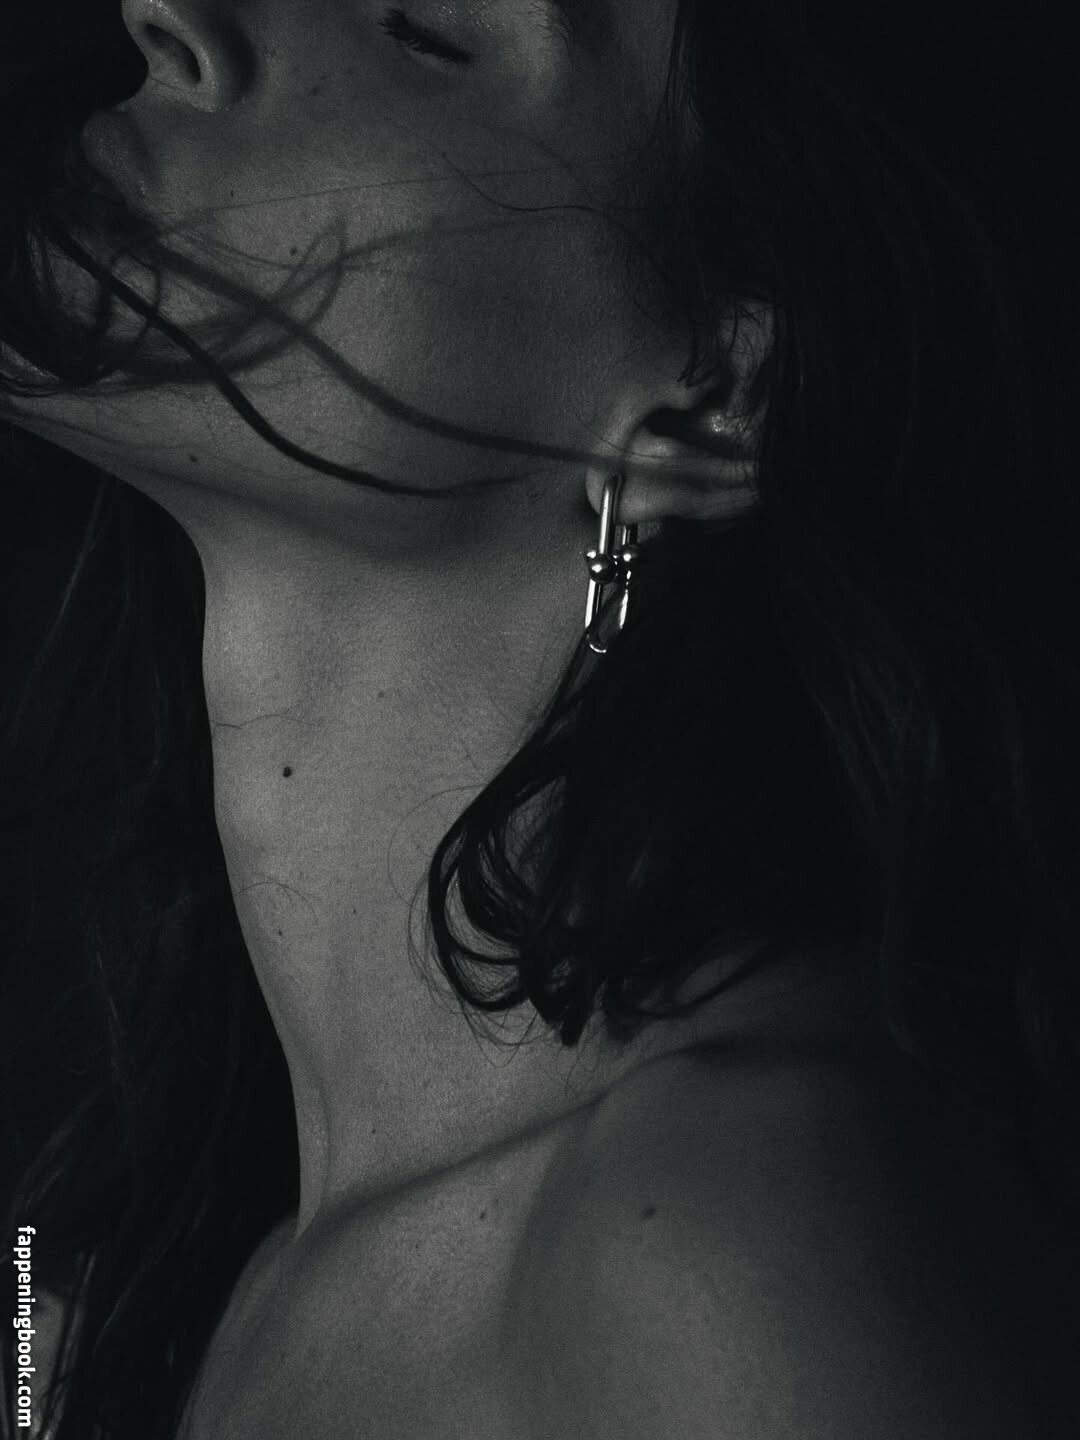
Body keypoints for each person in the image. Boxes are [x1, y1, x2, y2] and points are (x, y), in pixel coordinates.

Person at [1, 1, 1077, 1436]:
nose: (170, 15)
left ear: (707, 403)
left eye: (424, 28)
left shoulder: (734, 1236)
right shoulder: (114, 1290)